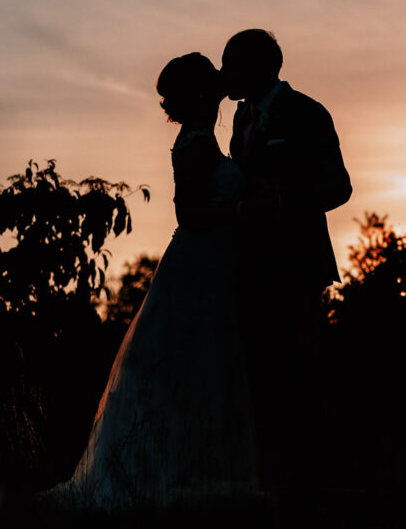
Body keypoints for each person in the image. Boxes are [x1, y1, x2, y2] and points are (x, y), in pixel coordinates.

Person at [37, 53, 259, 512]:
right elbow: (189, 213)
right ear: (201, 91)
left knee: (198, 362)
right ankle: (156, 470)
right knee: (186, 361)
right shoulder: (195, 141)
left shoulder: (206, 133)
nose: (223, 79)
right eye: (213, 77)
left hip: (210, 260)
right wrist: (238, 212)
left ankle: (185, 464)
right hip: (198, 260)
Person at [222, 29, 352, 491]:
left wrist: (283, 202)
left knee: (298, 376)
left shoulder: (307, 113)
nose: (223, 74)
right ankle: (266, 478)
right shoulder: (239, 117)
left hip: (295, 266)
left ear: (258, 67)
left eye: (230, 64)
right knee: (258, 379)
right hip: (248, 267)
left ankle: (310, 482)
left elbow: (338, 187)